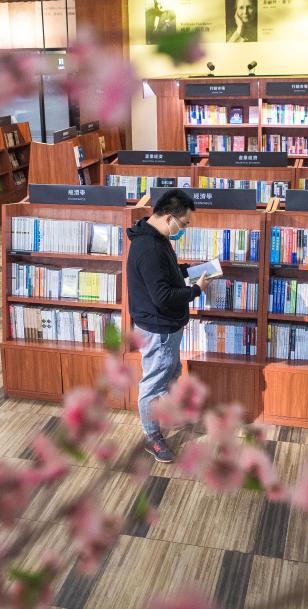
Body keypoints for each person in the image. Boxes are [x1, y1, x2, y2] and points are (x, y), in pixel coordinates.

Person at [127, 190, 211, 463]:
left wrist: (188, 271)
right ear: (169, 217)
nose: (184, 229)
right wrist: (196, 290)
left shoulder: (156, 238)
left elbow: (165, 273)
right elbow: (162, 296)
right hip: (158, 328)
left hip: (166, 326)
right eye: (184, 224)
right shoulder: (149, 248)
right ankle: (152, 436)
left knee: (169, 373)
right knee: (153, 384)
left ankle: (163, 416)